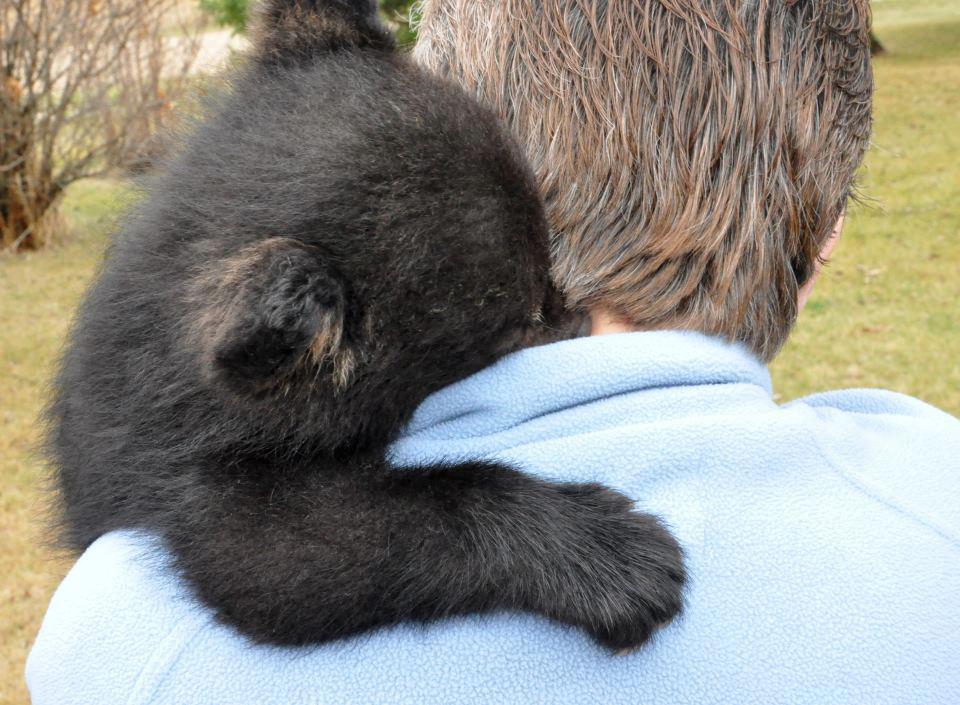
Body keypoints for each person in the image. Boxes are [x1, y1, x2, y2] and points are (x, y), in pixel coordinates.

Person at [27, 0, 960, 703]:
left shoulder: (125, 650)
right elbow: (256, 546)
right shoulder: (933, 512)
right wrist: (502, 525)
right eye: (523, 312)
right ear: (830, 230)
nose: (562, 314)